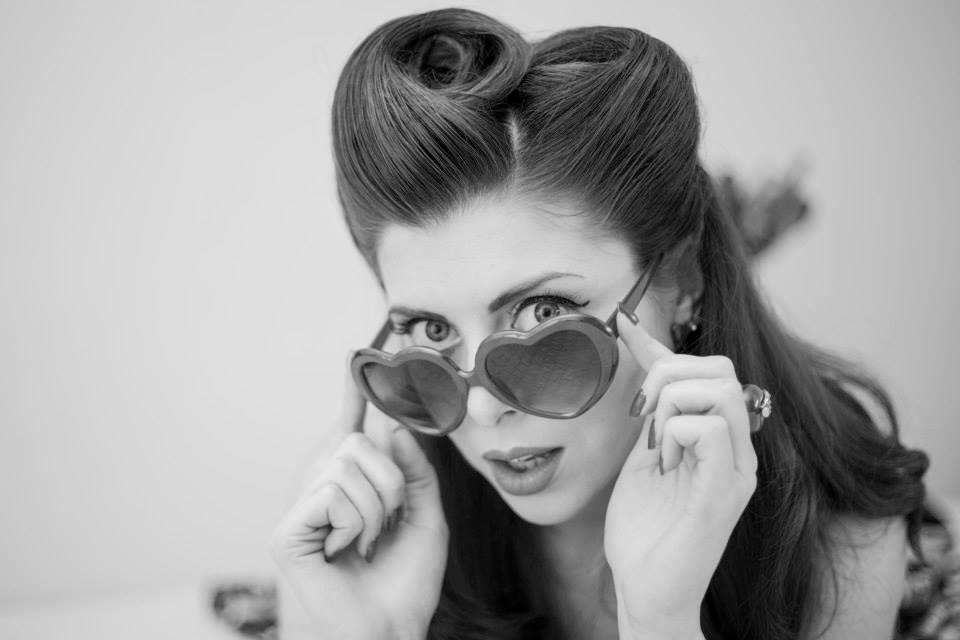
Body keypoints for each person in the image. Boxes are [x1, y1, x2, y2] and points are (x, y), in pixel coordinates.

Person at [269, 8, 930, 639]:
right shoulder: (367, 527)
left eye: (544, 315)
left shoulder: (836, 530)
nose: (482, 408)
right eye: (433, 333)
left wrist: (660, 624)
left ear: (682, 283)